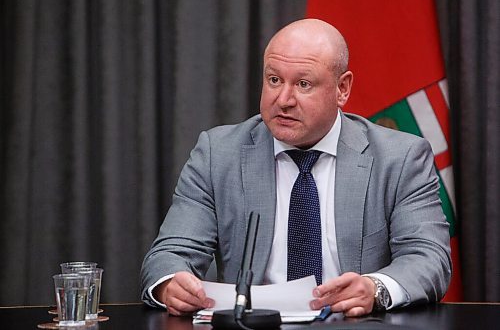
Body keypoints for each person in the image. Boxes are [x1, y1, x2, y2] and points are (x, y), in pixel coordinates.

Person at [140, 18, 451, 317]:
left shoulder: (399, 158)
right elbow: (170, 255)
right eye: (274, 80)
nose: (283, 99)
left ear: (342, 89)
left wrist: (375, 288)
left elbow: (428, 259)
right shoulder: (218, 154)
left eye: (303, 84)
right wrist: (170, 284)